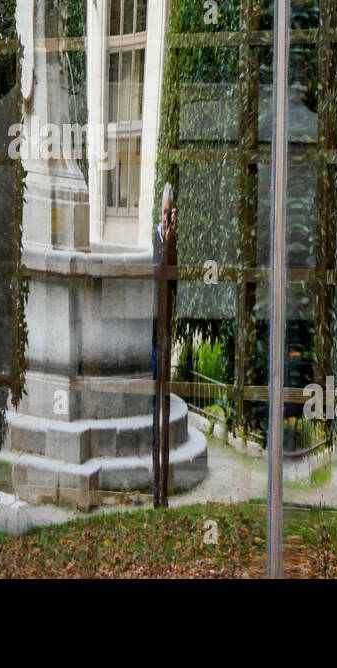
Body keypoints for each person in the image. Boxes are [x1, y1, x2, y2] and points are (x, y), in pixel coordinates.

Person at [151, 182, 178, 508]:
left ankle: (164, 491)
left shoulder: (173, 240)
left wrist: (171, 242)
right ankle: (156, 488)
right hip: (153, 325)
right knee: (155, 400)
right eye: (164, 209)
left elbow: (171, 278)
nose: (166, 215)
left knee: (164, 399)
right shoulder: (154, 237)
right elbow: (154, 272)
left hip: (165, 328)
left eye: (170, 211)